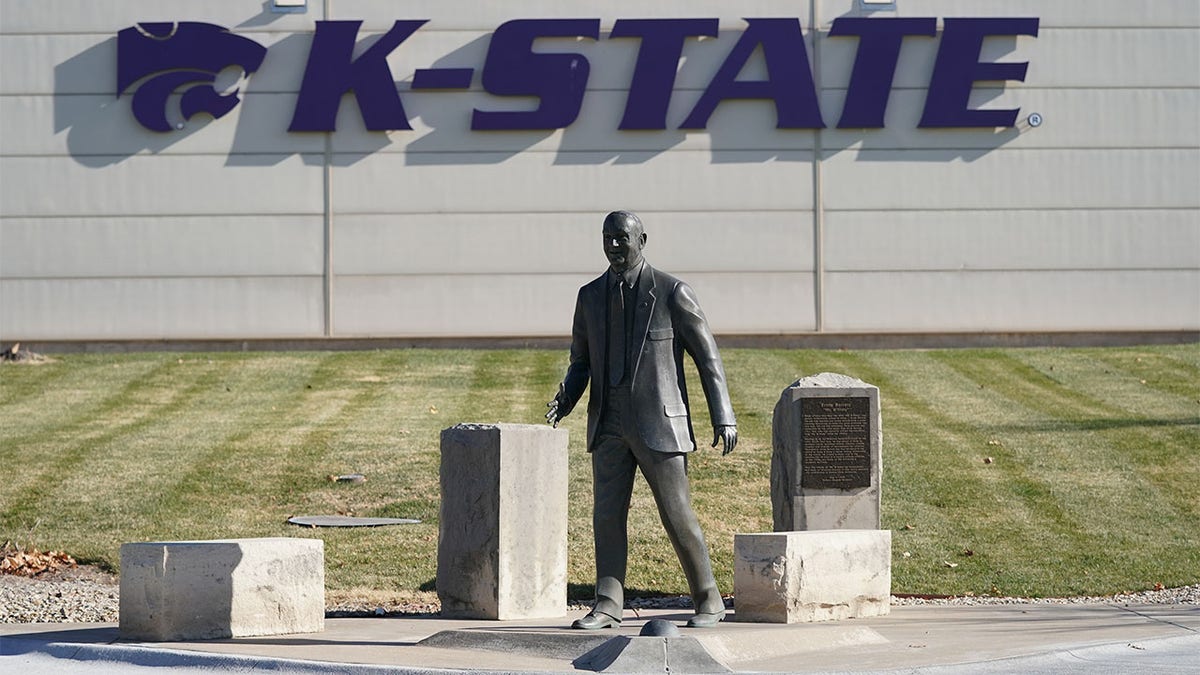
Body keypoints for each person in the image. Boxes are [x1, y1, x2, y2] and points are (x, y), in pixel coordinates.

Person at [546, 210, 737, 629]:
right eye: (607, 238)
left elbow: (707, 357)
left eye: (622, 238)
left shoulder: (672, 292)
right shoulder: (590, 296)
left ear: (642, 240)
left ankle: (708, 598)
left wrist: (722, 414)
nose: (614, 245)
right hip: (608, 421)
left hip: (660, 424)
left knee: (676, 511)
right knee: (607, 514)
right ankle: (608, 604)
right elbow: (581, 361)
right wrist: (567, 398)